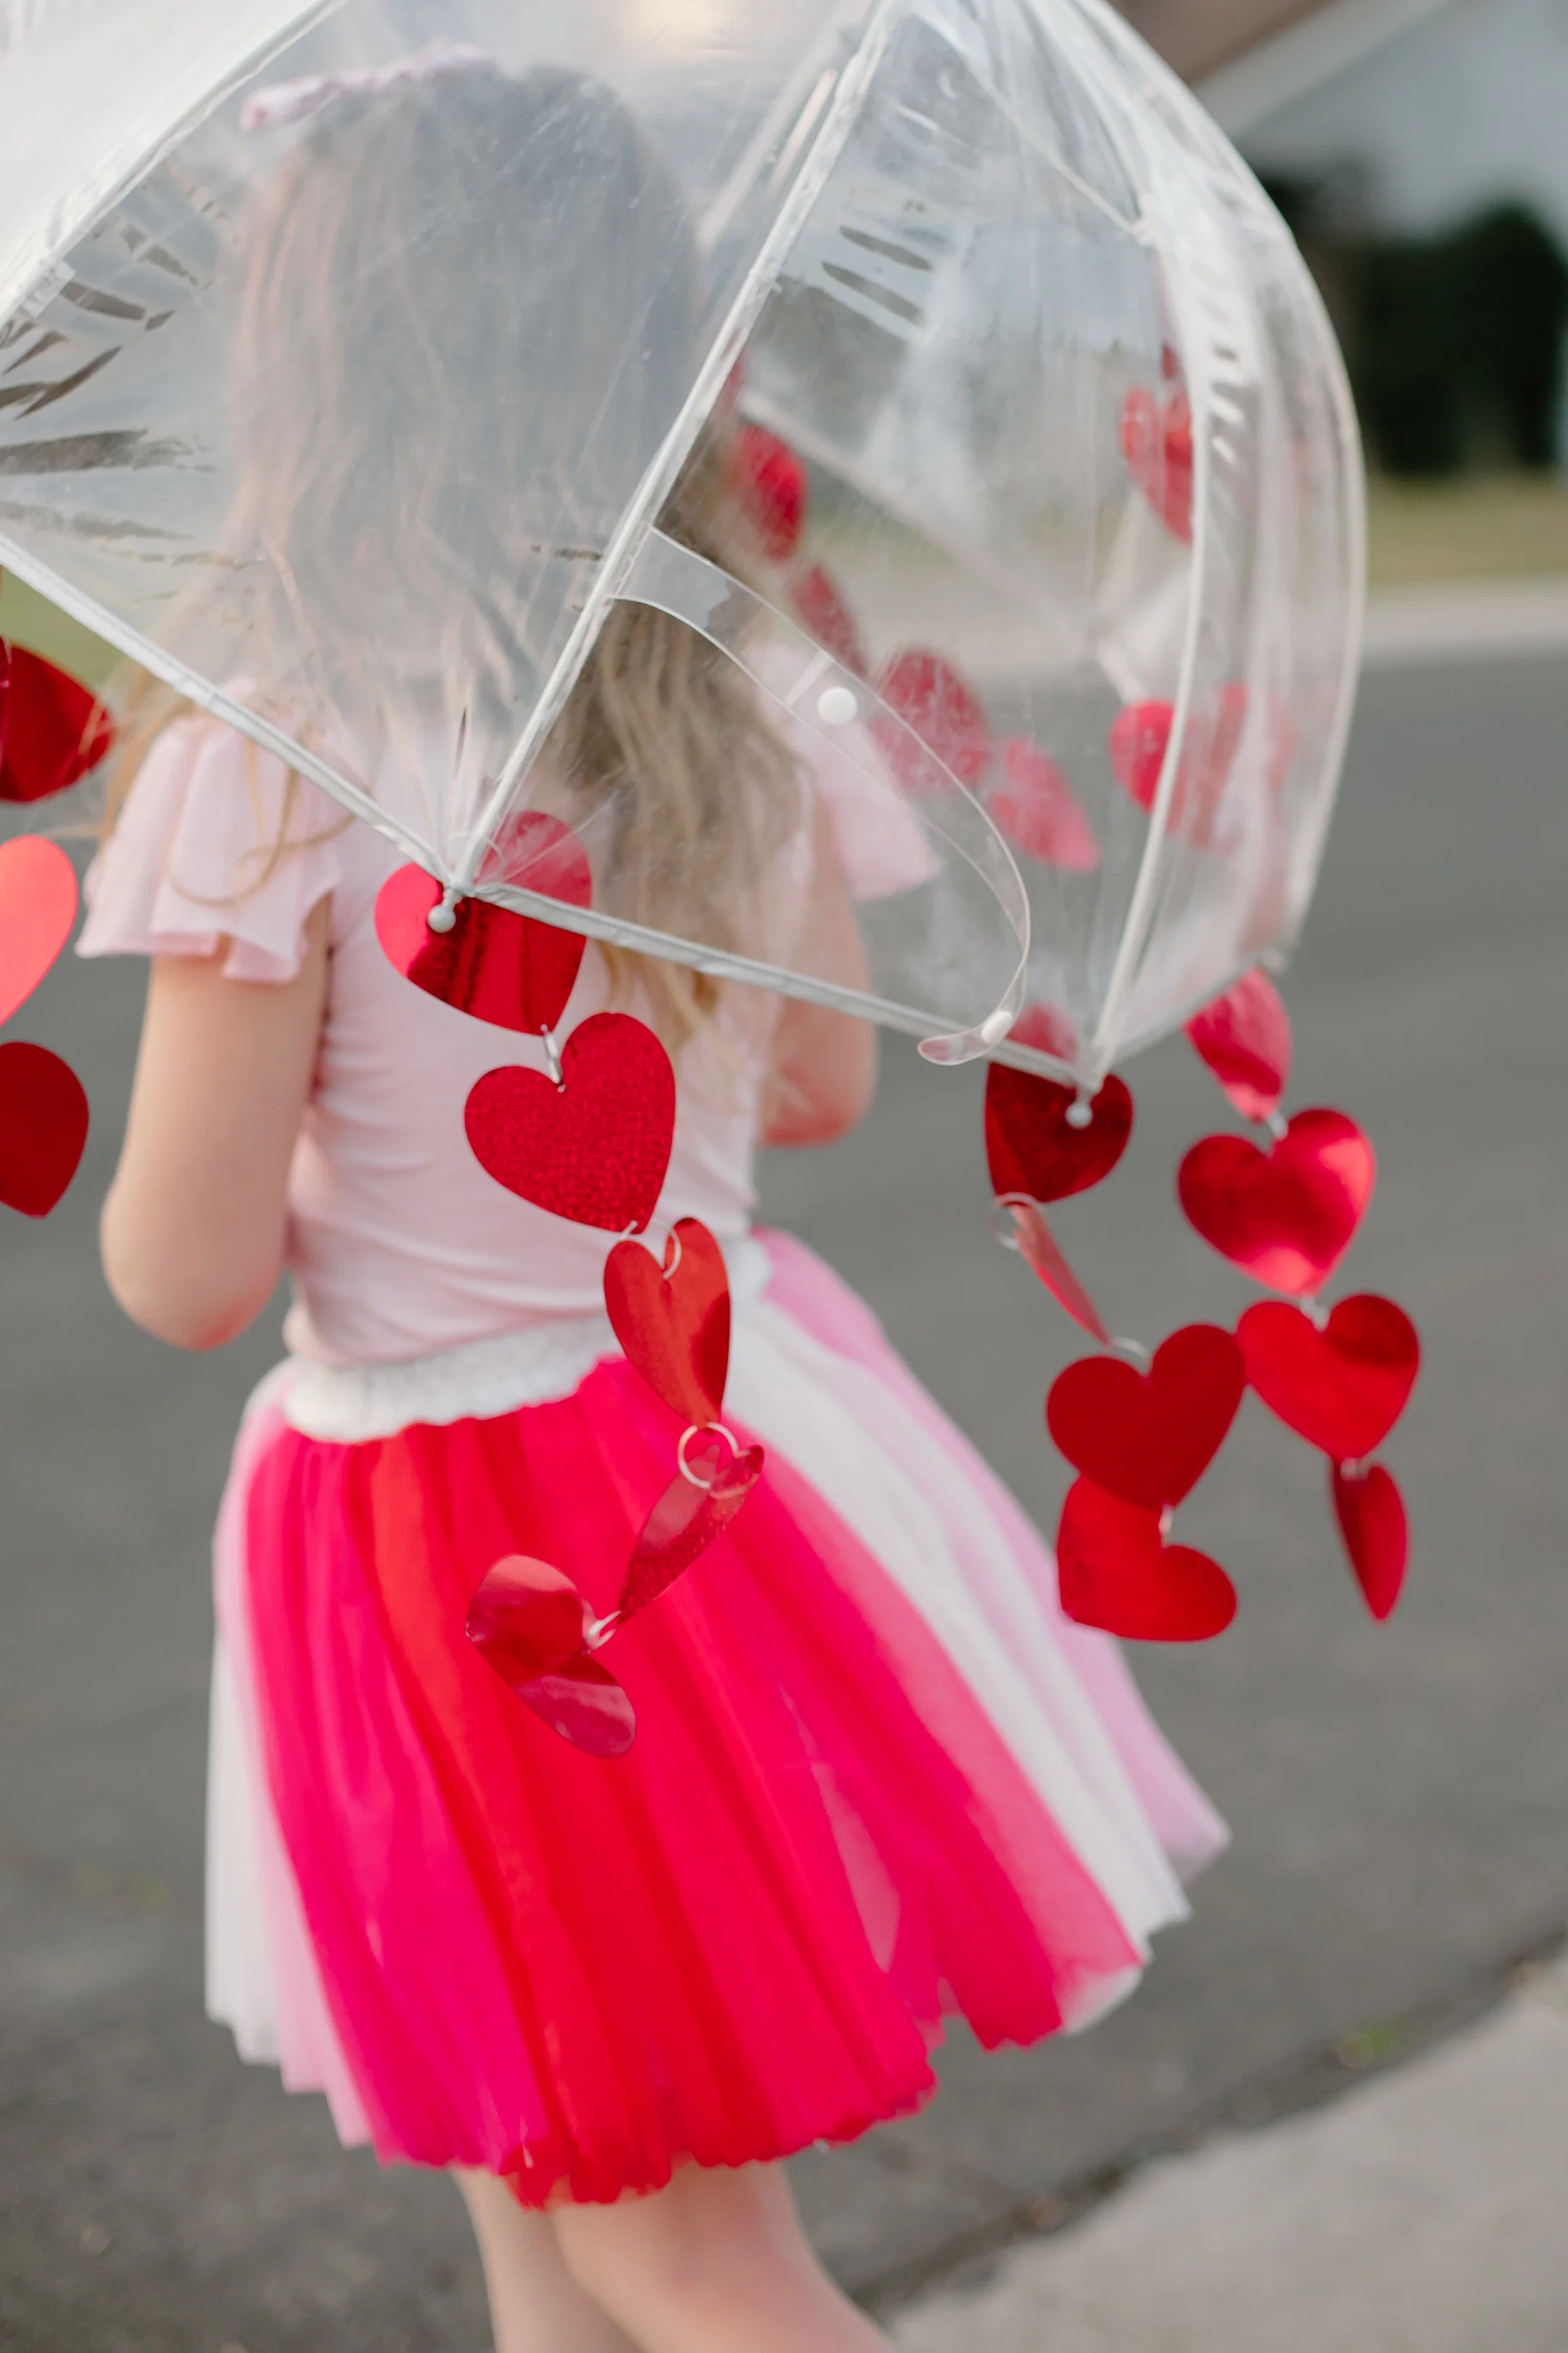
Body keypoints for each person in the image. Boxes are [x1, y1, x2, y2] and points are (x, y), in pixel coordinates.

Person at [80, 54, 1225, 2353]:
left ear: (320, 373)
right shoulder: (740, 690)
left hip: (469, 1541)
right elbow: (816, 1082)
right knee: (550, 2207)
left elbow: (182, 1275)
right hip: (713, 1436)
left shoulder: (276, 758)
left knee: (673, 2249)